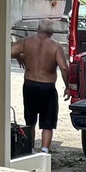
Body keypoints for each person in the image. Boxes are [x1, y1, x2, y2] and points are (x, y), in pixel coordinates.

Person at [11, 20, 66, 154]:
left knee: (30, 120)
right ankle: (44, 150)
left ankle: (29, 149)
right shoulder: (55, 47)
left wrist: (19, 55)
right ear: (51, 33)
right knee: (48, 122)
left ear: (37, 30)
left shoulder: (26, 42)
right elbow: (64, 67)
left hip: (30, 84)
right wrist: (68, 86)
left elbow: (9, 51)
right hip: (47, 86)